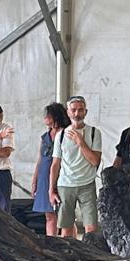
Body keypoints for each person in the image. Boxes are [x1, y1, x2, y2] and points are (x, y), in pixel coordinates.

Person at [48, 95, 103, 239]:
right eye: (74, 110)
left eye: (80, 110)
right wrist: (51, 190)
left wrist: (81, 142)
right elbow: (55, 164)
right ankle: (69, 259)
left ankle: (90, 257)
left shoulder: (93, 133)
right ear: (68, 112)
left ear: (86, 111)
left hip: (87, 184)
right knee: (66, 228)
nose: (77, 113)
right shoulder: (60, 135)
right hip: (65, 185)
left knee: (91, 228)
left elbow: (95, 161)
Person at [32, 102, 67, 235]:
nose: (45, 118)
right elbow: (40, 160)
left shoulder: (65, 133)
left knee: (65, 217)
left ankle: (69, 243)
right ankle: (51, 242)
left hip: (61, 176)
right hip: (44, 177)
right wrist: (35, 181)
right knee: (49, 214)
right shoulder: (45, 137)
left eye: (48, 115)